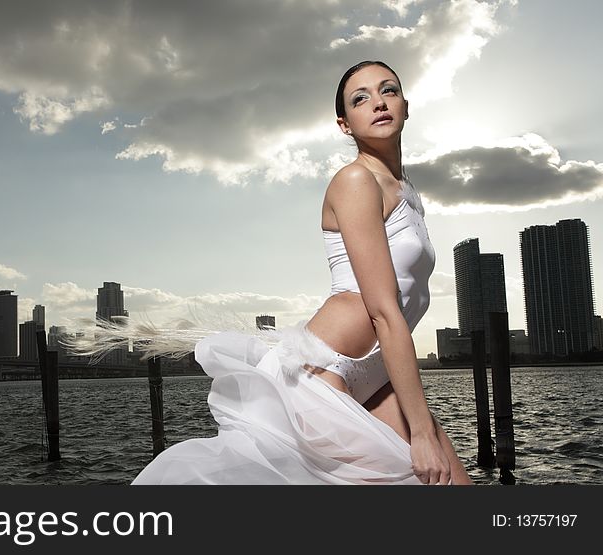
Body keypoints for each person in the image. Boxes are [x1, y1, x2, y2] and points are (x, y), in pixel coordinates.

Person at [70, 60, 472, 485]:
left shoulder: (407, 191)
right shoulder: (356, 181)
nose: (377, 102)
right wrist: (422, 432)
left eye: (388, 90)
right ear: (344, 125)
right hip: (322, 378)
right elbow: (385, 313)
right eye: (360, 98)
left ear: (405, 106)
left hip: (376, 377)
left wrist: (423, 425)